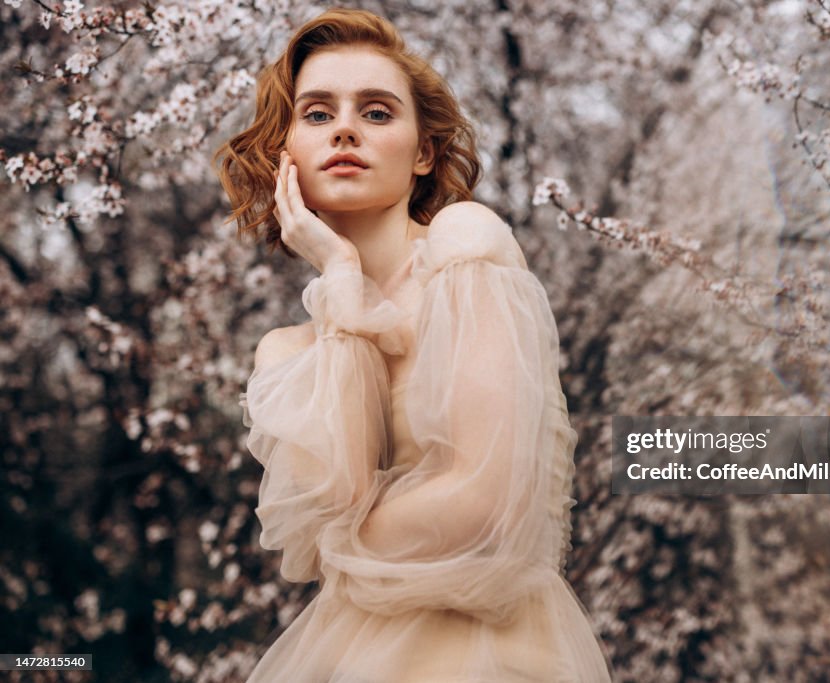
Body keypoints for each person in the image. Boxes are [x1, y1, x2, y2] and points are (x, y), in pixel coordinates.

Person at [216, 8, 612, 682]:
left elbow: (488, 505)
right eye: (316, 114)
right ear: (284, 154)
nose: (344, 127)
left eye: (376, 112)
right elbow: (320, 533)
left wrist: (350, 540)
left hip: (490, 653)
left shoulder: (465, 245)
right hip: (345, 656)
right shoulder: (286, 353)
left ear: (423, 151)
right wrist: (340, 278)